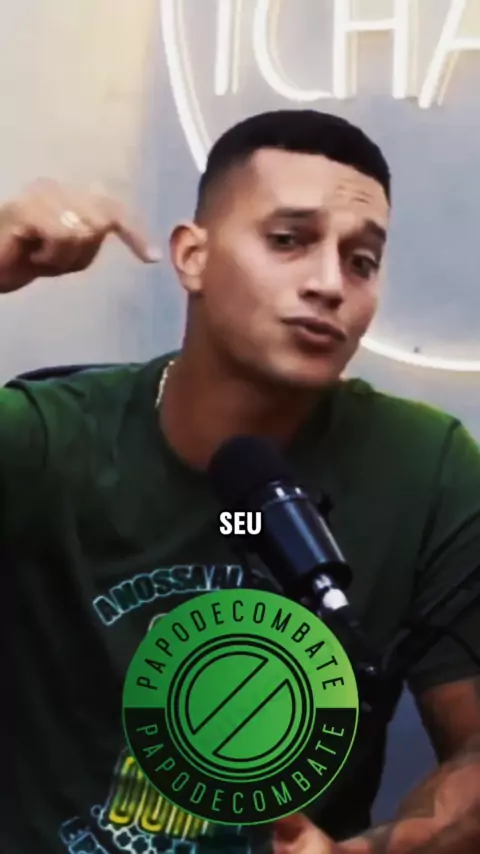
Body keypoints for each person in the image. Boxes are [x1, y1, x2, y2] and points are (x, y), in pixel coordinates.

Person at [1, 110, 479, 854]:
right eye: (288, 240)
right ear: (192, 256)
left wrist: (374, 850)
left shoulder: (428, 466)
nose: (329, 284)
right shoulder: (46, 437)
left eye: (361, 260)